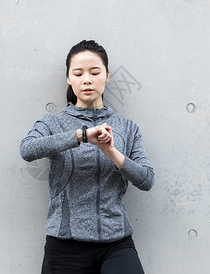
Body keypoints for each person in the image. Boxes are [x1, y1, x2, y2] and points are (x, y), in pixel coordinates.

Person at [19, 40, 154, 274]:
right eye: (78, 73)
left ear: (107, 76)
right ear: (69, 78)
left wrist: (111, 151)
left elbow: (146, 180)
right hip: (65, 246)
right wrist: (80, 136)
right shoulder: (52, 123)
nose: (87, 80)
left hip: (116, 242)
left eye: (95, 72)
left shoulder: (127, 128)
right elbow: (27, 150)